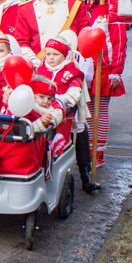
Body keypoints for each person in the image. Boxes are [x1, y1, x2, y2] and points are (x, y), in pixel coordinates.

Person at [36, 35, 100, 193]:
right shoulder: (40, 69)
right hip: (40, 110)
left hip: (65, 112)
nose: (51, 58)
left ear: (64, 55)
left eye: (55, 54)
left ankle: (85, 176)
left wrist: (59, 100)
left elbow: (74, 93)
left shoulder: (72, 72)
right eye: (48, 53)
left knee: (80, 133)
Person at [85, 0, 127, 168]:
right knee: (86, 112)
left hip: (104, 68)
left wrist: (117, 71)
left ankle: (98, 152)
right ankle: (88, 150)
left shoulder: (113, 12)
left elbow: (119, 43)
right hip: (85, 67)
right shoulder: (82, 9)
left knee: (99, 112)